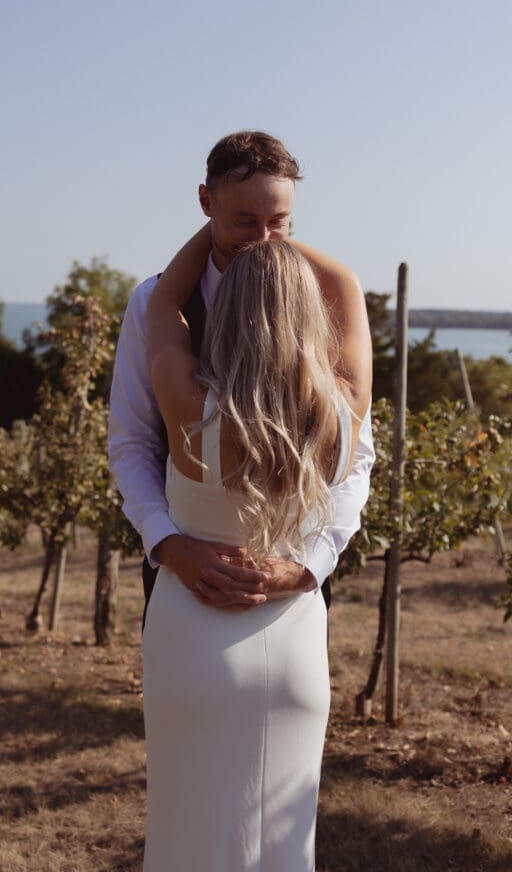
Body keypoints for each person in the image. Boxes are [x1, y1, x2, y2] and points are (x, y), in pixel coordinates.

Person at [140, 227, 371, 870]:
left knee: (186, 836)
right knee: (281, 845)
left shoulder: (187, 403)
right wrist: (287, 239)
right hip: (292, 637)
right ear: (308, 315)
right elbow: (348, 286)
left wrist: (222, 228)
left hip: (190, 637)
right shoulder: (341, 411)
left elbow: (164, 301)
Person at [108, 130, 375, 612]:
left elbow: (357, 455)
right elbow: (132, 442)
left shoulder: (322, 304)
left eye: (279, 222)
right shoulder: (153, 302)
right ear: (205, 202)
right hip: (184, 574)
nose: (263, 242)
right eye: (245, 221)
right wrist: (168, 544)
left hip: (297, 579)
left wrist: (310, 565)